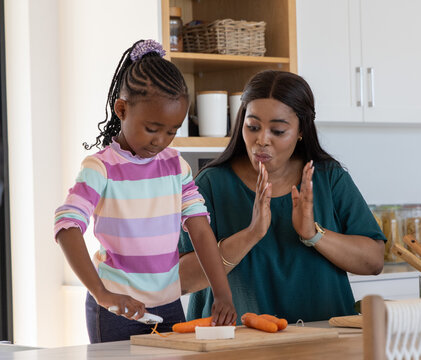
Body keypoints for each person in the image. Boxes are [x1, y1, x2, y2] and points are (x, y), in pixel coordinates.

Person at [54, 39, 236, 343]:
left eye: (172, 130)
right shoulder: (100, 168)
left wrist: (222, 293)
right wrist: (102, 294)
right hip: (116, 309)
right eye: (152, 128)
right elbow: (67, 226)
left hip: (170, 305)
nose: (161, 140)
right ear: (122, 110)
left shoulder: (177, 167)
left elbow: (201, 231)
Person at [178, 70, 386, 324]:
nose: (261, 140)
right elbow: (181, 280)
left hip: (325, 341)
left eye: (277, 131)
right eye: (252, 127)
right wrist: (251, 234)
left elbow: (374, 261)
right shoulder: (210, 184)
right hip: (236, 344)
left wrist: (313, 234)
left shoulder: (329, 178)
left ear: (301, 131)